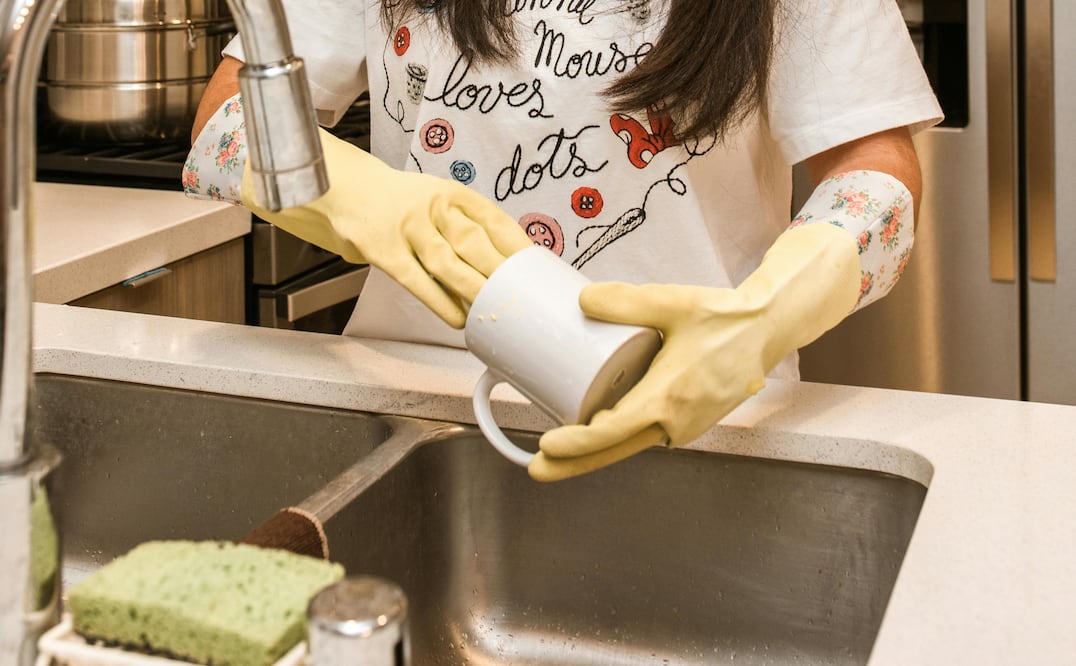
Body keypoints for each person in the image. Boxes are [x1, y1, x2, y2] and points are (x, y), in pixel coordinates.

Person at [185, 1, 941, 481]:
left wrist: (773, 310)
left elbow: (876, 170)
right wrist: (360, 198)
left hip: (701, 415)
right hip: (413, 411)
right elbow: (225, 124)